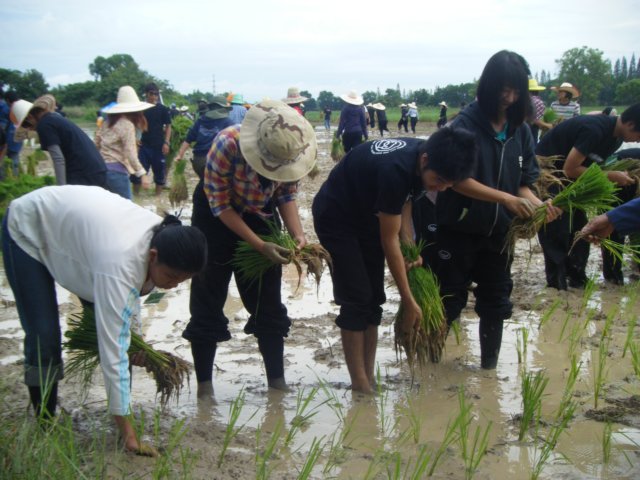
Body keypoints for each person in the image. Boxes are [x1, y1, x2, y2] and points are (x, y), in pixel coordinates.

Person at [2, 185, 207, 455]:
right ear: (153, 256)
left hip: (79, 240)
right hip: (29, 228)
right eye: (171, 277)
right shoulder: (119, 264)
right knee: (44, 335)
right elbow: (113, 353)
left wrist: (137, 340)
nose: (173, 285)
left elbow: (133, 300)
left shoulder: (164, 240)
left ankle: (120, 416)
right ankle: (45, 422)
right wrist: (130, 438)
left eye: (183, 280)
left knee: (125, 340)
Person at [312, 128, 478, 393]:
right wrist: (408, 300)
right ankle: (360, 384)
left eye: (448, 184)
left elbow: (406, 201)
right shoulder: (395, 170)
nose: (441, 188)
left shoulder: (427, 158)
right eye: (438, 180)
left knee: (374, 298)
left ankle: (368, 377)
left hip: (368, 214)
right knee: (356, 298)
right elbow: (389, 240)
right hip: (337, 217)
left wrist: (409, 244)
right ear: (425, 160)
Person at [430, 50, 559, 370]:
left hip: (499, 233)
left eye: (516, 92)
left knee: (496, 299)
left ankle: (488, 369)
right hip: (457, 229)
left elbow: (523, 184)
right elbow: (455, 180)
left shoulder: (521, 130)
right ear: (488, 87)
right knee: (448, 298)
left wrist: (538, 205)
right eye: (504, 90)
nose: (510, 98)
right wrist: (505, 199)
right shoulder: (464, 126)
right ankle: (429, 367)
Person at [182, 100, 317, 397]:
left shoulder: (292, 149)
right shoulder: (227, 144)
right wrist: (258, 244)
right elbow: (220, 206)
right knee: (207, 294)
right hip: (214, 216)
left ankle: (277, 384)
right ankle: (205, 388)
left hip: (260, 215)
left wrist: (297, 234)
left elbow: (286, 196)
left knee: (267, 301)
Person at [535, 104, 640, 288]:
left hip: (570, 180)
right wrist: (611, 176)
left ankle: (577, 277)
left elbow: (590, 167)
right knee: (557, 224)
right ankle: (556, 283)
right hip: (549, 174)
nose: (638, 142)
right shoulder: (595, 130)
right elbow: (570, 168)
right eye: (639, 136)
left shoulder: (616, 138)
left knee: (580, 227)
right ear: (630, 124)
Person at [13, 94, 107, 187]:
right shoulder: (54, 118)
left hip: (83, 174)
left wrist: (61, 188)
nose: (29, 129)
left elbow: (58, 159)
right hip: (96, 169)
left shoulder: (44, 125)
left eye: (26, 125)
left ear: (30, 117)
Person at [94, 86, 153, 199]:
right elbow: (130, 153)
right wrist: (142, 174)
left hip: (102, 170)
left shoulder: (106, 123)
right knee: (126, 206)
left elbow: (96, 144)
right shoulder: (127, 124)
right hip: (117, 173)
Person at [174, 95, 234, 179]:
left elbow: (188, 139)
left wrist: (180, 155)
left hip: (198, 161)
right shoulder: (227, 122)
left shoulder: (201, 120)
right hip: (216, 161)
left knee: (204, 182)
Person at [131, 83, 172, 196]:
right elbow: (134, 125)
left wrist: (166, 142)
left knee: (159, 173)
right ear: (146, 94)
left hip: (159, 145)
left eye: (156, 94)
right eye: (151, 94)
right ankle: (136, 196)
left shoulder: (163, 109)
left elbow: (168, 126)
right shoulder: (140, 109)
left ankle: (157, 198)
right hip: (144, 145)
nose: (154, 96)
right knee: (137, 172)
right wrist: (135, 139)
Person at [3, 91, 24, 178]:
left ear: (8, 100)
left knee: (4, 162)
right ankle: (14, 179)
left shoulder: (9, 109)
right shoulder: (22, 108)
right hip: (18, 139)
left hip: (10, 139)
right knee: (14, 161)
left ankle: (4, 179)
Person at [527, 78, 552, 144]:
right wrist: (547, 125)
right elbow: (534, 120)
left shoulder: (523, 100)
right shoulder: (538, 102)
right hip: (532, 128)